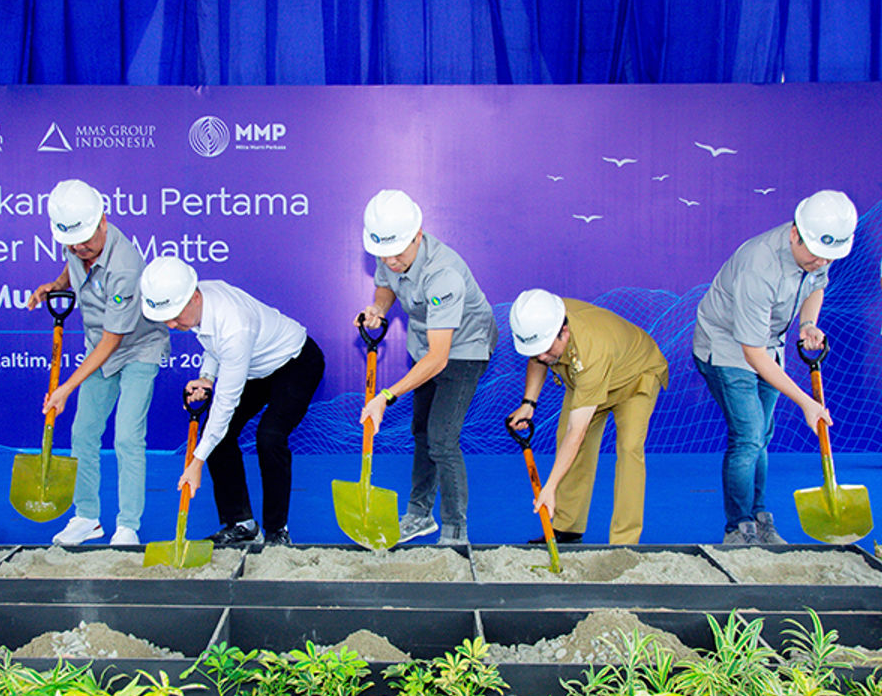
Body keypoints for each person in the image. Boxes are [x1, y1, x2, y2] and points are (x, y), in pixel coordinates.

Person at [693, 189, 856, 545]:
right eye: (816, 256)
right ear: (795, 233)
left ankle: (759, 517)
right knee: (749, 436)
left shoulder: (817, 256)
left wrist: (807, 325)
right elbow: (751, 353)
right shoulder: (759, 266)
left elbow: (816, 286)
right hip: (727, 348)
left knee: (762, 437)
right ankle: (738, 527)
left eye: (830, 258)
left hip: (768, 344)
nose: (822, 263)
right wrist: (807, 403)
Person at [139, 256, 325, 546]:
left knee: (270, 437)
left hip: (296, 362)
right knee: (216, 436)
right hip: (255, 364)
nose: (172, 324)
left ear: (195, 297)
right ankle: (241, 523)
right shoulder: (199, 305)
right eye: (167, 319)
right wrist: (206, 377)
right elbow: (215, 346)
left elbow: (226, 401)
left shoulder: (234, 324)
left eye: (175, 317)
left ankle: (277, 532)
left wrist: (196, 462)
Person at [28, 179, 168, 547]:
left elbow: (113, 339)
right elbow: (72, 267)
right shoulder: (77, 242)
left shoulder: (125, 266)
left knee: (126, 437)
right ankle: (87, 517)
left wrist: (66, 388)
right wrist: (54, 285)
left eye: (86, 241)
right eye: (71, 243)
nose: (79, 248)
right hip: (99, 347)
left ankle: (127, 526)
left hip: (137, 348)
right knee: (83, 433)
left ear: (103, 221)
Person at [355, 189, 497, 545]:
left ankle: (455, 531)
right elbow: (385, 286)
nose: (390, 261)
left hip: (464, 348)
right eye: (382, 255)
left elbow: (440, 358)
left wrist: (386, 396)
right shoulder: (389, 250)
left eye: (397, 254)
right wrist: (378, 310)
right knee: (422, 432)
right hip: (427, 344)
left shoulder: (442, 274)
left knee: (443, 440)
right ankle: (419, 515)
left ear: (418, 235)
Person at [507, 290, 668, 545]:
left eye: (547, 351)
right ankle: (566, 528)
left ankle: (624, 542)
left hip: (636, 375)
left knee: (629, 449)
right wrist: (529, 403)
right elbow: (537, 357)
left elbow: (577, 431)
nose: (542, 357)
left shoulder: (592, 349)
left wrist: (549, 487)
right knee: (569, 446)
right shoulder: (544, 318)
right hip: (586, 378)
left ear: (565, 332)